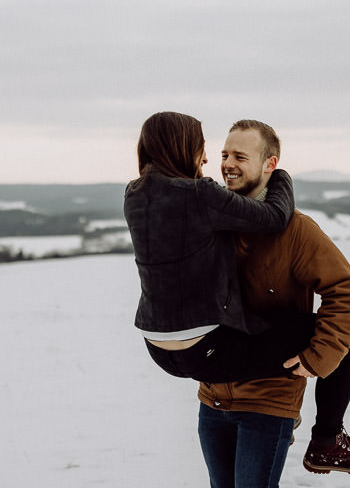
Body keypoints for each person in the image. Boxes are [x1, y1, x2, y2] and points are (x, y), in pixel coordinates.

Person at [197, 120, 350, 487]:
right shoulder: (212, 225)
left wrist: (317, 357)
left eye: (239, 156)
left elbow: (346, 291)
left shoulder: (297, 231)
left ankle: (328, 437)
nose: (228, 164)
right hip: (213, 396)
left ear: (270, 164)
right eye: (224, 155)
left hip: (269, 399)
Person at [124, 112, 334, 385]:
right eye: (200, 146)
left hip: (156, 345)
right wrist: (278, 174)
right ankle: (326, 428)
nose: (206, 158)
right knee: (340, 343)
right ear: (182, 147)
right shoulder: (200, 194)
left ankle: (279, 413)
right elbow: (274, 216)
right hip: (206, 346)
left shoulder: (133, 194)